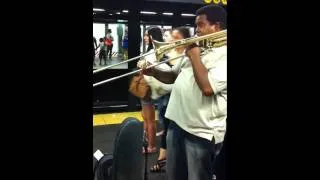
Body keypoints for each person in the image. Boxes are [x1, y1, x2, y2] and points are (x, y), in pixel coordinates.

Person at [142, 5, 227, 180]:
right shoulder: (195, 48)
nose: (196, 31)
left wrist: (195, 56)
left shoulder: (223, 55)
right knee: (174, 175)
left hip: (201, 132)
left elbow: (208, 88)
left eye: (201, 25)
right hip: (176, 125)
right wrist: (154, 72)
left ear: (216, 26)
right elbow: (173, 76)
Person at [149, 26, 191, 173]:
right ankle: (165, 161)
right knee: (168, 128)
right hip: (166, 96)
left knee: (169, 129)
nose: (171, 39)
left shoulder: (188, 54)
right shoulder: (171, 51)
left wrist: (167, 63)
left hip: (178, 98)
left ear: (184, 39)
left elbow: (176, 74)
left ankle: (162, 160)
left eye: (175, 37)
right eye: (171, 36)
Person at [137, 26, 165, 154]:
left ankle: (151, 146)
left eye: (147, 35)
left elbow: (149, 68)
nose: (145, 37)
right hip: (147, 86)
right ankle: (147, 140)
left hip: (148, 87)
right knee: (145, 117)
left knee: (149, 119)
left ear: (153, 36)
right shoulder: (154, 50)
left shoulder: (155, 51)